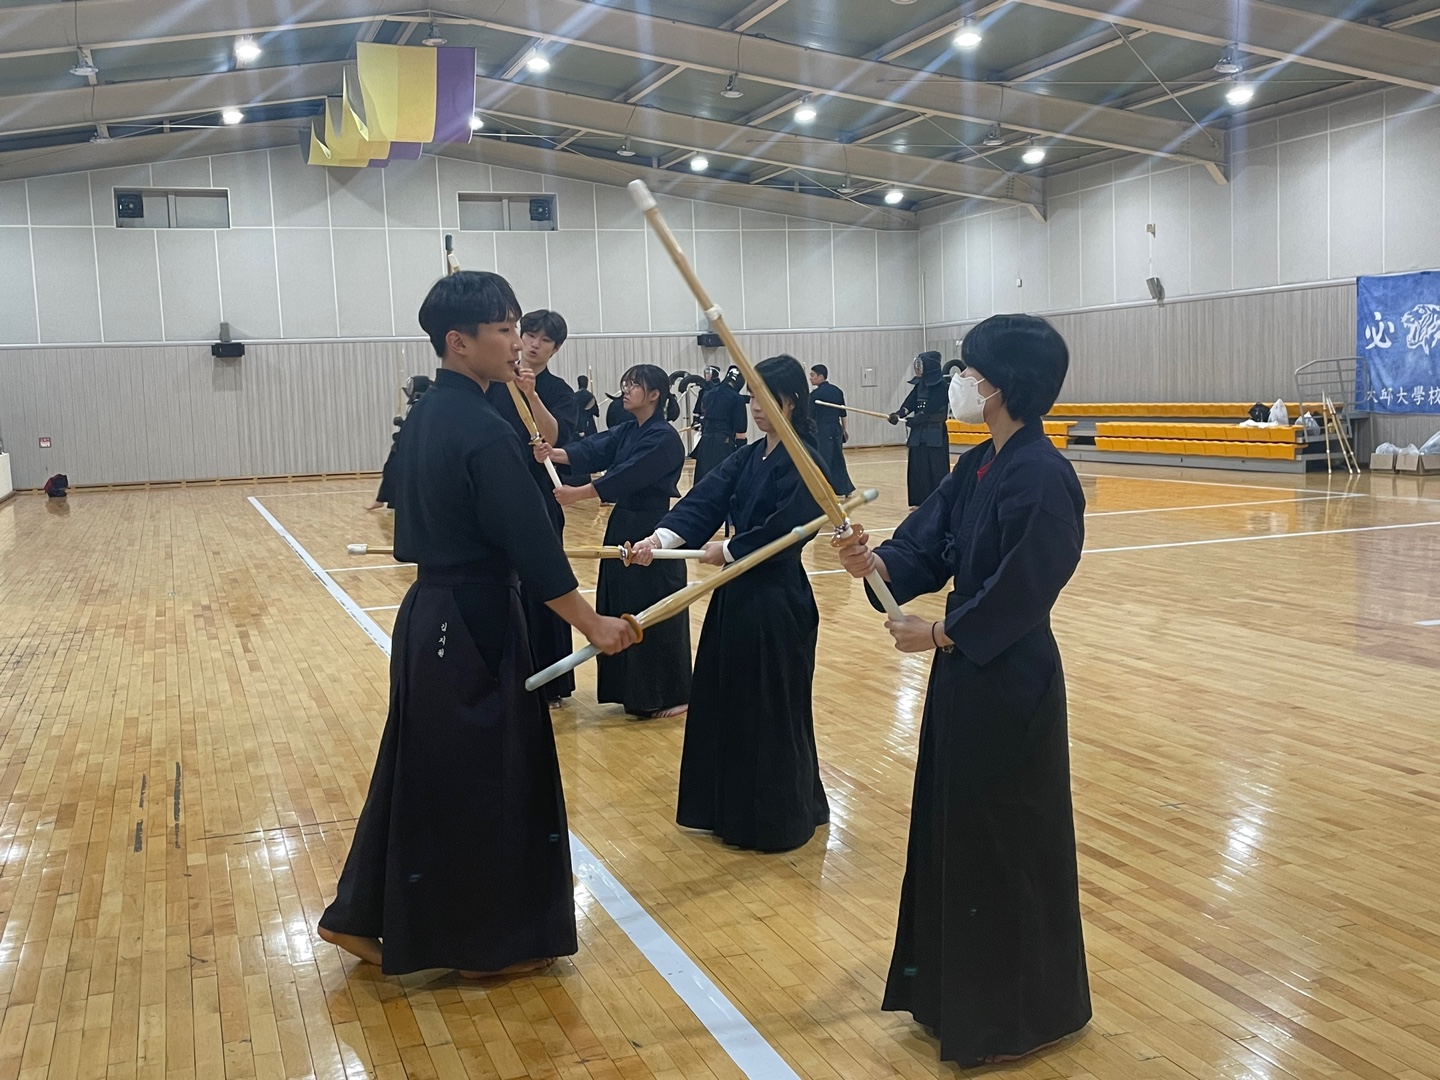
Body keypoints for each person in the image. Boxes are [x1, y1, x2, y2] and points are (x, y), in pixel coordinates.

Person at [317, 271, 636, 978]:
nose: (516, 343)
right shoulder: (482, 431)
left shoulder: (429, 415)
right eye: (503, 330)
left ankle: (359, 915)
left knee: (424, 768)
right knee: (483, 779)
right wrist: (591, 623)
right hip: (471, 621)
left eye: (517, 328)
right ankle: (480, 947)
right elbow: (531, 543)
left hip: (431, 615)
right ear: (458, 342)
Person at [838, 314, 1090, 1067]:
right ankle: (954, 998)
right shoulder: (979, 464)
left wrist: (944, 632)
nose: (962, 383)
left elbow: (1027, 586)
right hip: (964, 678)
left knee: (1005, 841)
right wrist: (876, 564)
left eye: (971, 372)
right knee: (958, 832)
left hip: (1012, 679)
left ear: (1001, 384)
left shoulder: (1043, 476)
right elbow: (928, 541)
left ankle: (1015, 1014)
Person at [630, 355, 829, 853]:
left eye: (766, 398)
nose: (755, 407)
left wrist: (733, 549)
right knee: (730, 701)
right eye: (752, 397)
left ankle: (777, 819)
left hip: (777, 601)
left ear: (791, 400)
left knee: (771, 707)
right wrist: (659, 540)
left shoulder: (805, 459)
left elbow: (791, 527)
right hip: (736, 596)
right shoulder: (750, 455)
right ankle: (727, 812)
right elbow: (706, 499)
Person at [537, 364, 691, 720]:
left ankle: (672, 692)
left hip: (653, 528)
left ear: (654, 394)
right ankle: (628, 690)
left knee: (652, 608)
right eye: (626, 383)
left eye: (634, 385)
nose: (626, 390)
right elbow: (595, 448)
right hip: (623, 524)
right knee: (620, 601)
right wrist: (553, 454)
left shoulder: (664, 438)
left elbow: (628, 474)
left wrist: (579, 493)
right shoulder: (627, 430)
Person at [486, 309, 580, 705]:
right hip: (496, 492)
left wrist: (532, 394)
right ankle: (502, 676)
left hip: (540, 495)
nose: (535, 344)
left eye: (545, 340)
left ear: (555, 349)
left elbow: (554, 436)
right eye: (530, 335)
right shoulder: (494, 382)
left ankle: (550, 681)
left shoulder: (558, 390)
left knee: (545, 582)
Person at [889, 351, 950, 509]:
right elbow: (909, 404)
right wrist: (898, 414)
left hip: (935, 432)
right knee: (918, 466)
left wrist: (917, 419)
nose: (919, 367)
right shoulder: (919, 385)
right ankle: (919, 500)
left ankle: (938, 499)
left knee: (935, 467)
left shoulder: (942, 387)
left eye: (922, 364)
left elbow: (931, 409)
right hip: (918, 433)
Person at [692, 366, 749, 485]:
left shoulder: (708, 394)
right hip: (724, 445)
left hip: (705, 443)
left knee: (702, 482)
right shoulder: (736, 398)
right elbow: (740, 433)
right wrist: (742, 454)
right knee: (722, 483)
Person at [808, 364, 855, 496]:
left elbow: (809, 416)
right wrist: (844, 430)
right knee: (838, 458)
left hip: (822, 430)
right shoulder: (837, 391)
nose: (810, 378)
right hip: (836, 429)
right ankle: (844, 489)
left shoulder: (815, 395)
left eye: (812, 375)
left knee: (824, 459)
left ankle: (825, 489)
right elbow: (843, 413)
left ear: (821, 377)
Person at [569, 375, 601, 485]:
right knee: (590, 447)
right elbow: (596, 412)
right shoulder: (590, 396)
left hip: (576, 425)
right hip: (588, 424)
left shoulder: (574, 396)